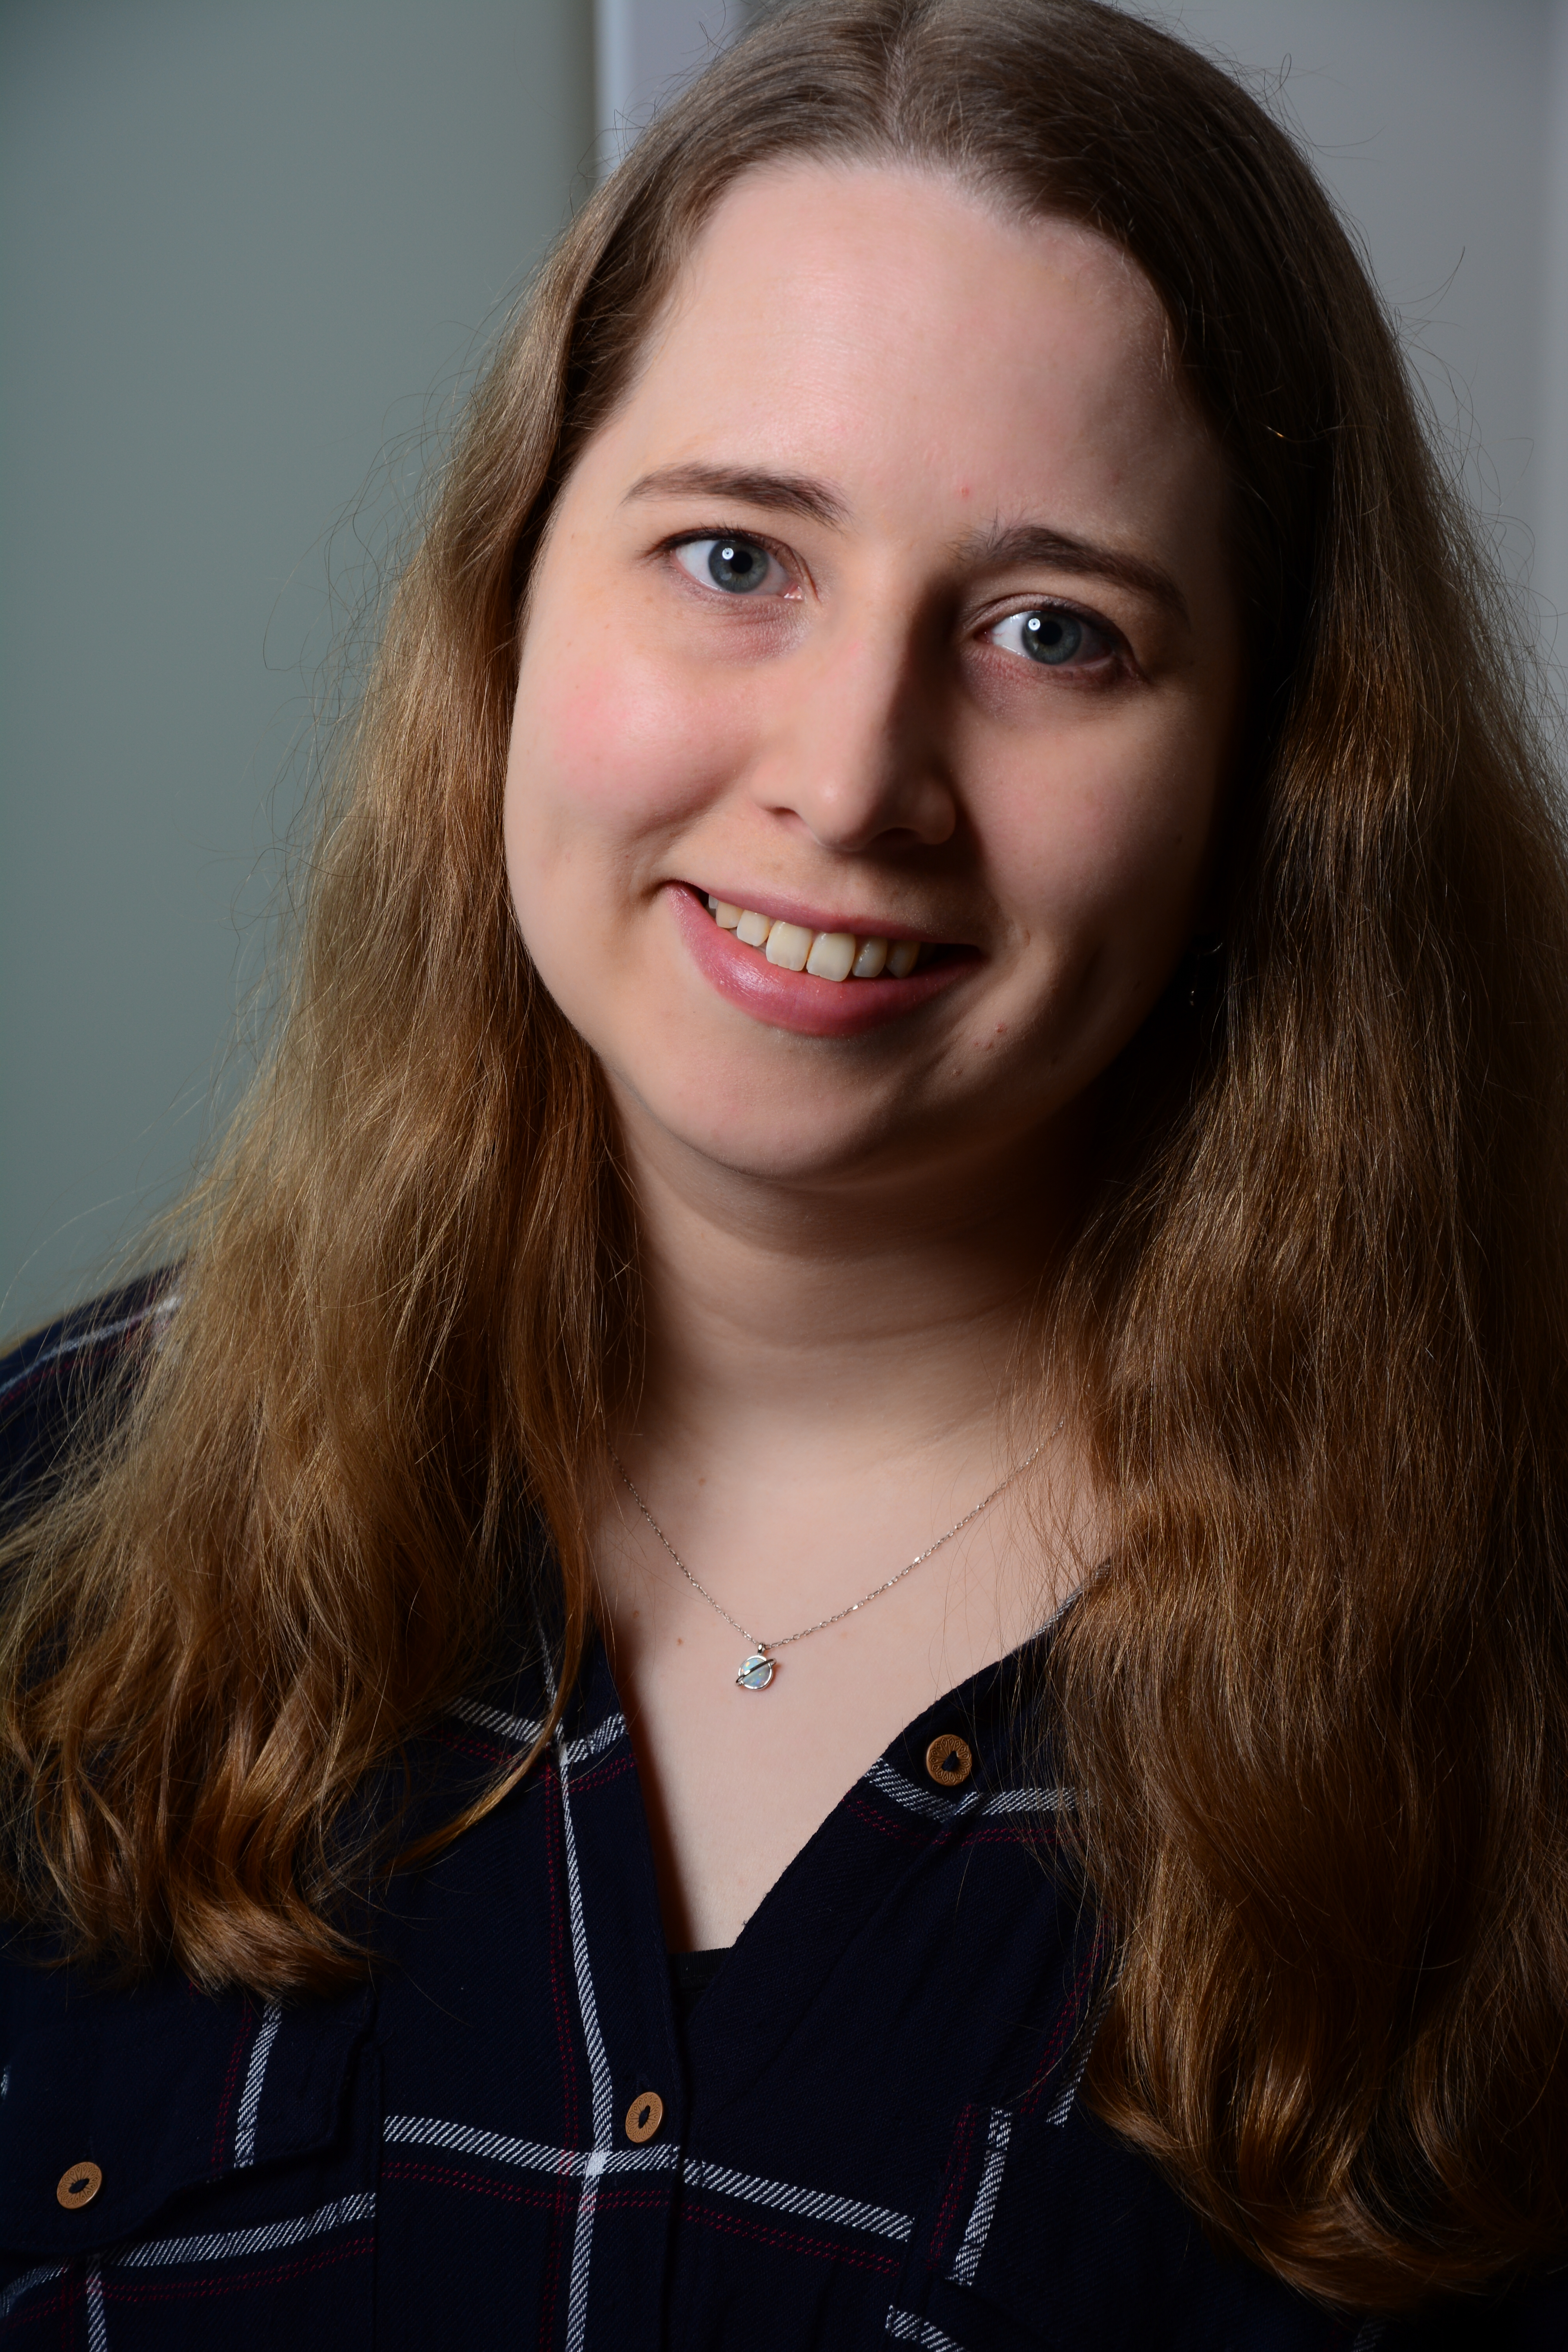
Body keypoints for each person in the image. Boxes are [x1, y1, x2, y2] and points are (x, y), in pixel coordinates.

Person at [2, 0, 1566, 2342]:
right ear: (511, 609)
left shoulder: (1518, 1682)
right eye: (736, 556)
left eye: (1057, 631)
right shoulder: (46, 1526)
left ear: (1273, 771)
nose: (852, 778)